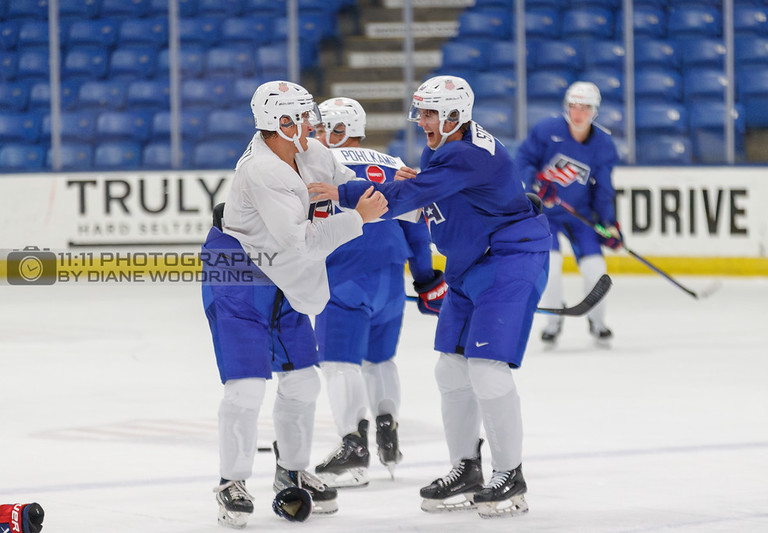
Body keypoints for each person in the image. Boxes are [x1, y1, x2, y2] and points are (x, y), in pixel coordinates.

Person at [308, 76, 552, 519]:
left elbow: (411, 196)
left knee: (486, 368)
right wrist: (428, 272)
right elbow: (433, 203)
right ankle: (467, 469)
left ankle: (510, 474)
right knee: (450, 369)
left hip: (508, 260)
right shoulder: (441, 150)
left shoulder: (465, 152)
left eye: (428, 113)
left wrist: (342, 193)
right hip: (472, 264)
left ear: (455, 114)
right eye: (420, 112)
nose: (421, 121)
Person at [200, 80, 388, 529]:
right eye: (302, 118)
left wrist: (414, 191)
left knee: (303, 381)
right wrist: (359, 219)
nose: (313, 124)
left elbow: (352, 184)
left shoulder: (310, 152)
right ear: (279, 124)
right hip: (241, 274)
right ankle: (232, 481)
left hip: (281, 274)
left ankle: (291, 469)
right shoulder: (263, 170)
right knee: (246, 387)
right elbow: (300, 243)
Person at [310, 97, 445, 488]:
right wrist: (426, 281)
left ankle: (353, 445)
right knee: (380, 361)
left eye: (321, 128)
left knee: (339, 364)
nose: (315, 135)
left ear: (338, 130)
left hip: (344, 275)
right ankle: (388, 427)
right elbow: (417, 229)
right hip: (390, 276)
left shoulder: (317, 166)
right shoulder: (394, 166)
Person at [513, 81, 622, 347]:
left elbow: (604, 188)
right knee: (550, 264)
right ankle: (553, 321)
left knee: (596, 268)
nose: (578, 112)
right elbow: (523, 160)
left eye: (585, 107)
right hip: (545, 214)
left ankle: (597, 322)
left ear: (595, 112)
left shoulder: (604, 145)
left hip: (579, 214)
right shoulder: (547, 130)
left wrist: (609, 224)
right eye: (573, 105)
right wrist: (536, 183)